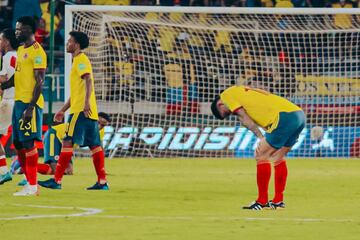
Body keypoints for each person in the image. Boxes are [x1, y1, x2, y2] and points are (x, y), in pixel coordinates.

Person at [210, 85, 305, 210]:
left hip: (284, 117)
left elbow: (246, 120)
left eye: (227, 113)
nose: (231, 114)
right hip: (298, 114)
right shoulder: (241, 92)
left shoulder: (226, 96)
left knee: (261, 155)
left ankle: (262, 201)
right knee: (278, 157)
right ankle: (278, 201)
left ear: (220, 104)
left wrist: (261, 138)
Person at [39, 31, 109, 190]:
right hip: (88, 111)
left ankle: (56, 181)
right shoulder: (78, 60)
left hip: (80, 111)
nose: (67, 43)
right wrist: (63, 110)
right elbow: (77, 92)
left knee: (67, 141)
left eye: (70, 41)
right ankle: (102, 182)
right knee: (95, 146)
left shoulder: (80, 60)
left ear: (76, 44)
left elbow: (89, 80)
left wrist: (85, 104)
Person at [4, 16, 46, 196]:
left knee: (28, 143)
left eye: (19, 29)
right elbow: (17, 77)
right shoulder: (21, 49)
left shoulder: (38, 52)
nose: (16, 32)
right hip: (18, 102)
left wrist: (30, 108)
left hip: (30, 104)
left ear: (29, 29)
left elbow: (40, 82)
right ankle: (30, 183)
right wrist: (3, 86)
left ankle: (33, 185)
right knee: (19, 144)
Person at [39, 112, 111, 175]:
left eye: (102, 125)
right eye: (98, 122)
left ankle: (33, 167)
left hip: (67, 145)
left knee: (69, 172)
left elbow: (99, 150)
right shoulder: (84, 125)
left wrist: (102, 170)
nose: (99, 126)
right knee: (57, 170)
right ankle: (30, 166)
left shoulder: (100, 132)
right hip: (54, 135)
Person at [0, 28, 18, 185]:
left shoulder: (7, 57)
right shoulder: (19, 55)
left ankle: (4, 172)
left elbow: (4, 78)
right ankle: (27, 178)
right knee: (23, 143)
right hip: (18, 100)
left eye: (0, 39)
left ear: (6, 41)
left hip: (8, 100)